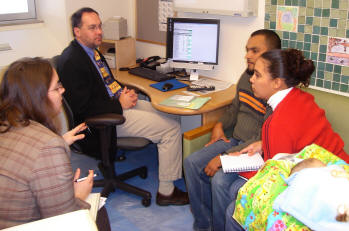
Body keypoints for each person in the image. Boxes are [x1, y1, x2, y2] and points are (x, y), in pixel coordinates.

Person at [56, 7, 188, 206]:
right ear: (77, 31)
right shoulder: (71, 61)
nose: (99, 32)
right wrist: (119, 104)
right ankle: (167, 192)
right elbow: (83, 108)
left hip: (114, 107)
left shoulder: (92, 52)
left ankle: (173, 171)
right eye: (92, 28)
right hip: (102, 121)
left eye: (99, 27)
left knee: (168, 113)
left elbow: (108, 83)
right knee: (171, 129)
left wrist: (124, 93)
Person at [225, 48, 349, 230]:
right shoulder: (299, 98)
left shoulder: (280, 121)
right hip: (337, 170)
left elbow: (276, 176)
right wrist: (262, 144)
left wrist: (241, 167)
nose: (251, 79)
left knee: (233, 204)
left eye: (257, 75)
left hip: (325, 187)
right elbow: (294, 142)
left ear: (276, 82)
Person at [183, 29, 281, 231]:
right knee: (191, 163)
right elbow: (234, 109)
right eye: (247, 50)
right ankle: (204, 224)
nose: (247, 55)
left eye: (254, 50)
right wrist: (219, 125)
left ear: (272, 55)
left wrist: (224, 157)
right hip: (234, 140)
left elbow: (262, 137)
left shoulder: (274, 87)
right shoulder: (247, 77)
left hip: (253, 151)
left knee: (219, 180)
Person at [0, 57, 108, 229]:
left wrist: (60, 142)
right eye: (57, 87)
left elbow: (25, 158)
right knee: (99, 215)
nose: (63, 90)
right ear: (37, 97)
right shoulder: (47, 146)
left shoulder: (7, 124)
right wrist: (79, 196)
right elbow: (64, 221)